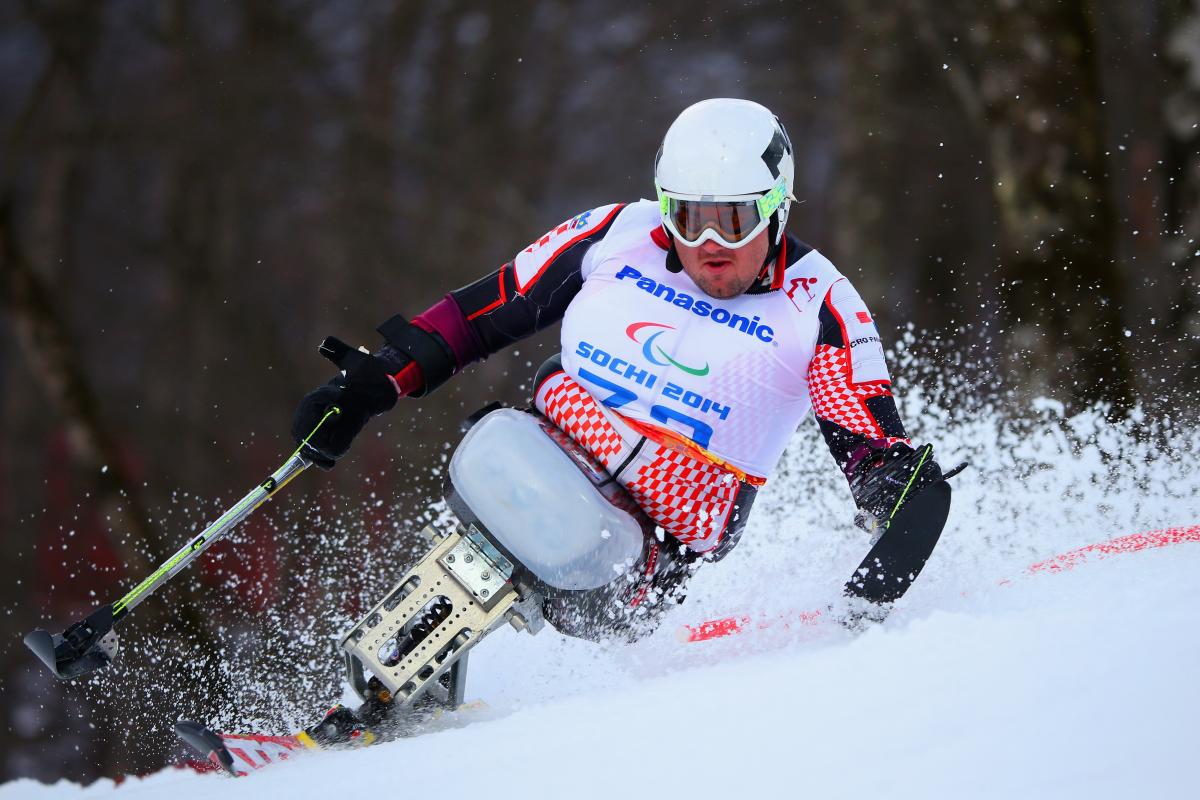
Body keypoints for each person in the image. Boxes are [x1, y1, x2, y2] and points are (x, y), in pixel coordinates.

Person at [292, 98, 946, 641]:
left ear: (778, 207)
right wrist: (379, 379)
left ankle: (417, 691)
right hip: (538, 463)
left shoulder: (819, 304)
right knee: (494, 475)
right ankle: (385, 692)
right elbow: (482, 314)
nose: (708, 246)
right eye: (689, 218)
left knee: (574, 539)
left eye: (734, 221)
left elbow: (866, 440)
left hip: (645, 547)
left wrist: (896, 489)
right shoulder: (619, 234)